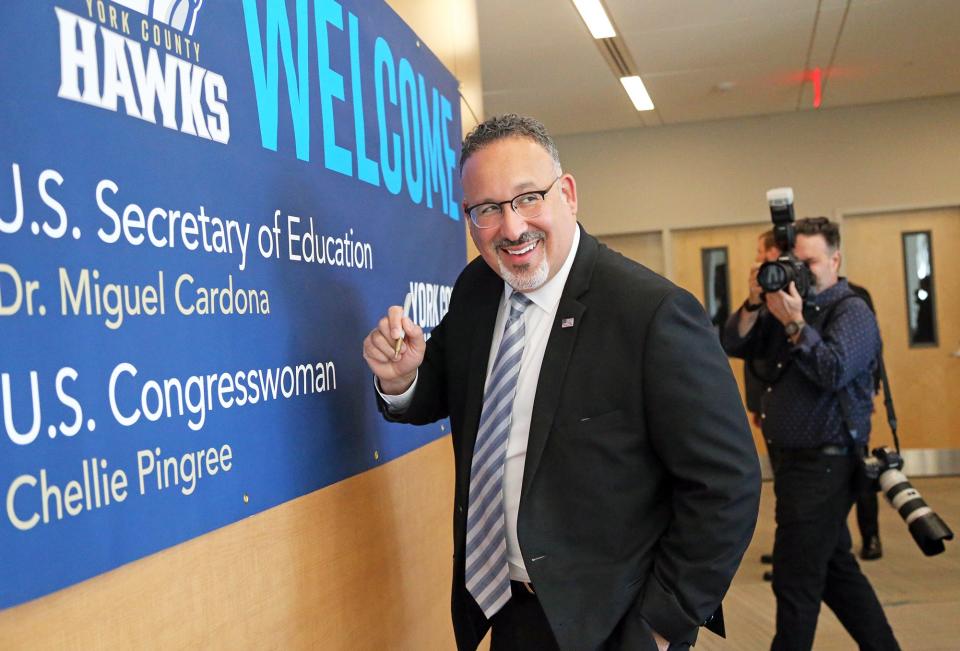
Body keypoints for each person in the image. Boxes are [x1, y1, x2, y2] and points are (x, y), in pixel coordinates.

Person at [363, 114, 761, 651]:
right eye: (487, 210)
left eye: (528, 198)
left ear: (568, 194)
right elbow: (448, 390)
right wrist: (403, 379)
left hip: (615, 621)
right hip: (510, 609)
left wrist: (664, 623)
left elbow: (726, 485)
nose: (511, 228)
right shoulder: (479, 288)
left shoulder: (651, 313)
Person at [722, 217, 899, 650]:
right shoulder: (785, 306)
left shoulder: (850, 309)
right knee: (837, 574)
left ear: (835, 259)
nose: (801, 270)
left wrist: (795, 324)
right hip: (793, 463)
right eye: (793, 261)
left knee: (794, 580)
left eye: (810, 261)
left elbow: (833, 370)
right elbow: (733, 343)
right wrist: (752, 303)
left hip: (827, 464)